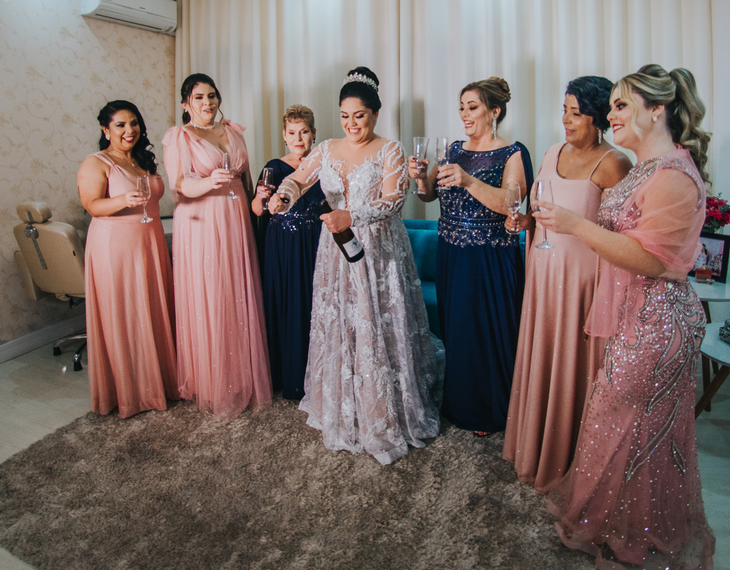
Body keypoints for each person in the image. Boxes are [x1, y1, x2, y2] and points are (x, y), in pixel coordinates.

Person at [541, 65, 715, 568]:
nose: (611, 114)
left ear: (656, 110)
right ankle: (618, 523)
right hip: (637, 319)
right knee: (619, 425)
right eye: (612, 105)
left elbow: (651, 260)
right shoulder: (646, 168)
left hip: (659, 323)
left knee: (637, 434)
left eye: (621, 105)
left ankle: (636, 537)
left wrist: (575, 225)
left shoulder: (674, 176)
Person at [269, 67, 443, 465]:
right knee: (342, 323)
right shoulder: (327, 148)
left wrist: (352, 215)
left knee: (376, 321)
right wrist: (284, 195)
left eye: (359, 116)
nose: (351, 124)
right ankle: (345, 404)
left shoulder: (390, 149)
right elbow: (299, 178)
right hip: (336, 252)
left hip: (379, 251)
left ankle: (385, 409)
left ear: (375, 114)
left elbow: (393, 201)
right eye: (345, 116)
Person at [502, 76, 631, 492]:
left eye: (576, 113)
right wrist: (525, 222)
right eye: (564, 111)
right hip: (542, 275)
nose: (566, 121)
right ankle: (534, 447)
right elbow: (541, 214)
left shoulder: (614, 163)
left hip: (583, 282)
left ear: (598, 118)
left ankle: (568, 459)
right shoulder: (550, 153)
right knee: (542, 355)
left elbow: (621, 237)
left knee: (572, 364)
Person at [409, 77, 532, 435]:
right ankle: (460, 402)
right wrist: (421, 179)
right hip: (451, 252)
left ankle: (491, 409)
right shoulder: (453, 150)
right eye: (462, 107)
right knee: (458, 330)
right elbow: (430, 196)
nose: (464, 114)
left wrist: (469, 181)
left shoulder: (513, 152)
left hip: (489, 256)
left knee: (487, 332)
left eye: (472, 107)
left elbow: (512, 202)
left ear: (494, 111)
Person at [162, 73, 271, 420]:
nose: (207, 103)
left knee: (238, 289)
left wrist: (255, 209)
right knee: (212, 292)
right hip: (202, 219)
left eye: (211, 95)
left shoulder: (232, 130)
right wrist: (209, 182)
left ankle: (241, 374)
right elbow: (180, 186)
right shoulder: (179, 137)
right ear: (186, 104)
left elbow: (247, 178)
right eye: (198, 97)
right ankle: (214, 381)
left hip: (236, 215)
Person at [76, 100, 178, 418]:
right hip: (115, 247)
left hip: (149, 242)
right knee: (126, 314)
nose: (129, 130)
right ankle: (131, 392)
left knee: (153, 308)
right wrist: (121, 199)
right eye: (120, 125)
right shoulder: (96, 162)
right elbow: (92, 205)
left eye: (134, 123)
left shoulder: (142, 160)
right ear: (105, 130)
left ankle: (160, 382)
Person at [251, 105, 325, 400]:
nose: (298, 138)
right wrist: (260, 198)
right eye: (292, 133)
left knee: (310, 302)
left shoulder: (323, 164)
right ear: (284, 135)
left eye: (304, 132)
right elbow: (257, 210)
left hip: (313, 241)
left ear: (313, 133)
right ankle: (284, 375)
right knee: (283, 300)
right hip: (280, 243)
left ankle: (312, 375)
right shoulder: (273, 166)